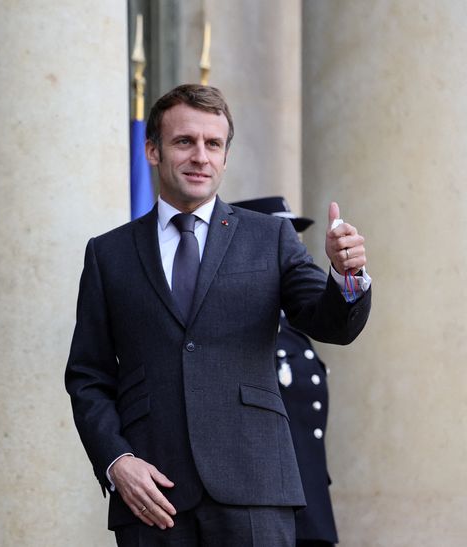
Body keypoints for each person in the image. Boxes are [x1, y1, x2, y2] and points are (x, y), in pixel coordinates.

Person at [65, 84, 371, 546]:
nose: (200, 157)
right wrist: (116, 461)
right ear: (152, 150)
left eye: (213, 144)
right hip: (153, 494)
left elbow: (328, 322)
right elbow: (88, 376)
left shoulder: (269, 238)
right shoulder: (109, 254)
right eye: (184, 141)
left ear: (226, 157)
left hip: (255, 487)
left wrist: (347, 276)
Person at [232, 196, 341, 546]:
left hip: (306, 498)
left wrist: (345, 276)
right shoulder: (240, 324)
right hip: (263, 502)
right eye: (284, 237)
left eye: (293, 238)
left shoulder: (292, 328)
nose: (293, 249)